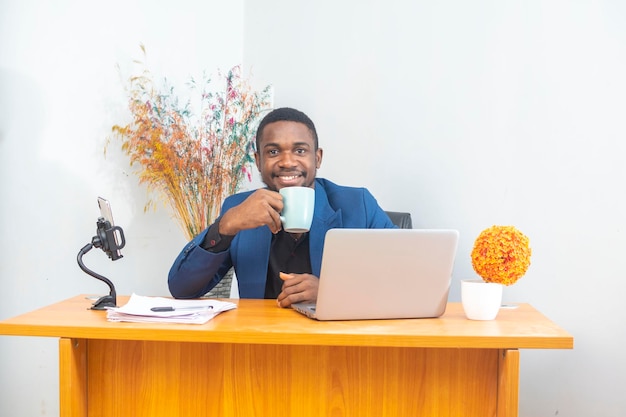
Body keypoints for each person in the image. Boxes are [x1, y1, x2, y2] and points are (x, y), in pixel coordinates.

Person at [168, 107, 396, 307]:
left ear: (317, 158)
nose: (287, 162)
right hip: (263, 344)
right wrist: (225, 226)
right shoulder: (238, 208)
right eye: (273, 152)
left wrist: (332, 292)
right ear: (258, 161)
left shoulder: (358, 204)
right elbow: (181, 288)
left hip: (337, 346)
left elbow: (402, 277)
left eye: (300, 150)